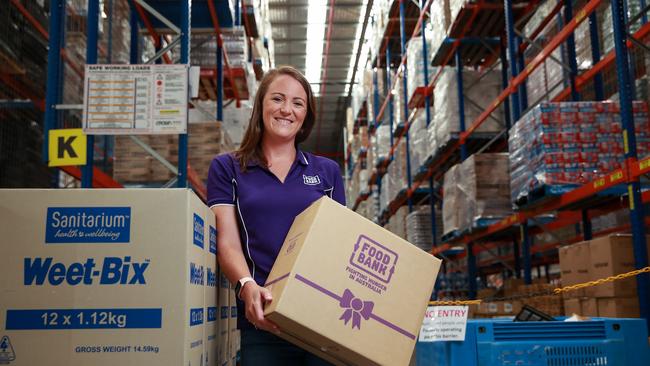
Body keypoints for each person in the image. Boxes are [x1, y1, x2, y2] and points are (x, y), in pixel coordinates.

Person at [207, 66, 345, 365]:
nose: (287, 110)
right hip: (263, 319)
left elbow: (339, 245)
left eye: (298, 103)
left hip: (322, 319)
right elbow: (227, 241)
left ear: (306, 115)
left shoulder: (327, 172)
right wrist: (246, 285)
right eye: (278, 99)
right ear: (261, 106)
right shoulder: (227, 168)